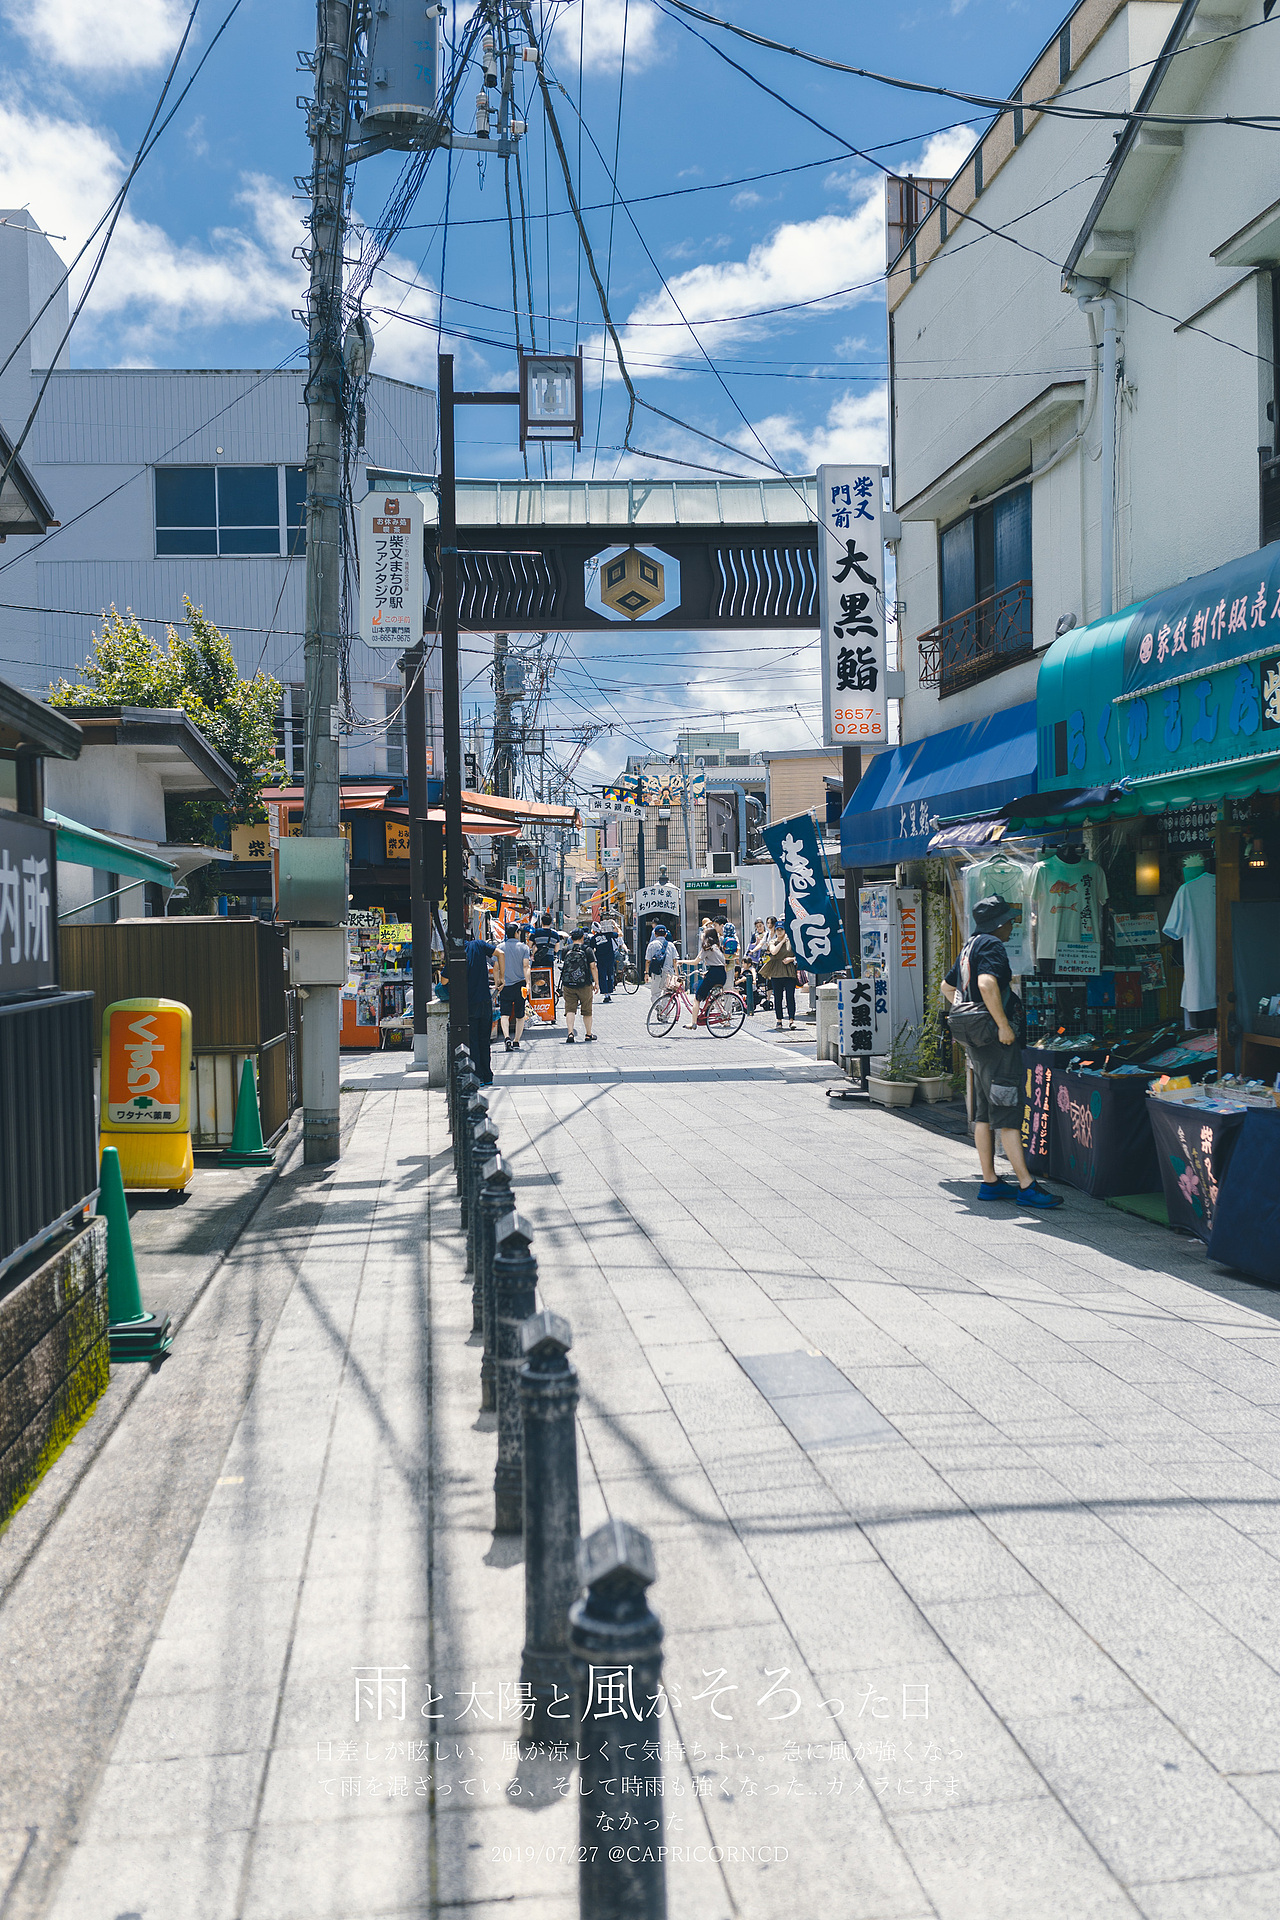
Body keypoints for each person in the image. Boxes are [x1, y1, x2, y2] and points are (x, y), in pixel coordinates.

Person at [941, 894, 1063, 1209]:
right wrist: (1002, 1025)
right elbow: (985, 984)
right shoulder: (992, 946)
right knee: (1007, 1110)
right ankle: (1026, 1184)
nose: (1012, 925)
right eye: (1009, 920)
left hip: (977, 1044)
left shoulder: (970, 945)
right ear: (999, 924)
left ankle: (991, 1181)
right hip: (997, 1043)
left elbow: (947, 986)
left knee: (983, 1112)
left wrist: (966, 1014)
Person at [464, 925, 496, 1084]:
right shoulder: (479, 945)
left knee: (473, 1042)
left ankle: (478, 1077)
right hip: (485, 1002)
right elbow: (500, 954)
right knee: (485, 1041)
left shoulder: (456, 954)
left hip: (469, 1004)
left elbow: (444, 980)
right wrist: (500, 978)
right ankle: (488, 1075)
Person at [496, 923, 532, 1052]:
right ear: (517, 933)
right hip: (520, 985)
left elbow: (496, 967)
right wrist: (528, 984)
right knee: (520, 1014)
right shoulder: (524, 948)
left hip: (505, 985)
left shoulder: (500, 947)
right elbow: (526, 966)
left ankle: (506, 1037)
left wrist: (497, 982)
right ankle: (516, 1041)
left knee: (504, 1014)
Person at [560, 926, 598, 1043]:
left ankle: (570, 1033)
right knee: (587, 1010)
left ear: (571, 937)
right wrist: (596, 983)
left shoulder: (566, 949)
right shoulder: (587, 950)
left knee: (570, 1009)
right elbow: (593, 967)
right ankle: (588, 1034)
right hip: (585, 984)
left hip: (568, 984)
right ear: (582, 937)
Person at [761, 918, 798, 1028]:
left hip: (789, 972)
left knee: (790, 997)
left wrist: (791, 959)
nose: (780, 932)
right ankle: (779, 1020)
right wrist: (781, 941)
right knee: (778, 997)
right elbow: (773, 951)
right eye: (778, 930)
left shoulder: (791, 942)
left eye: (782, 929)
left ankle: (791, 1020)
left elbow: (799, 956)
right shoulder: (773, 941)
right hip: (776, 973)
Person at [695, 922, 729, 1028]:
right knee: (711, 996)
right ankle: (706, 1013)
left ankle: (693, 1023)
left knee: (697, 997)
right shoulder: (716, 947)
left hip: (714, 974)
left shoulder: (707, 947)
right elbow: (721, 964)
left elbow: (696, 962)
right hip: (721, 974)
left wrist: (681, 961)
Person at [645, 922, 679, 1003]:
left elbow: (648, 961)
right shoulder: (671, 945)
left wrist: (646, 973)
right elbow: (675, 961)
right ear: (666, 934)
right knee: (667, 994)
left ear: (655, 934)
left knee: (655, 994)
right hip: (668, 973)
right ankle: (665, 1014)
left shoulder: (651, 945)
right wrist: (676, 974)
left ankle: (658, 1008)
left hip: (656, 973)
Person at [590, 916, 618, 1003]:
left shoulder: (593, 939)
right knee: (610, 975)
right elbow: (618, 934)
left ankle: (606, 994)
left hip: (600, 959)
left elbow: (592, 949)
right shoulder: (608, 934)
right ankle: (609, 993)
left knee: (602, 976)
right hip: (610, 958)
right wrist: (615, 925)